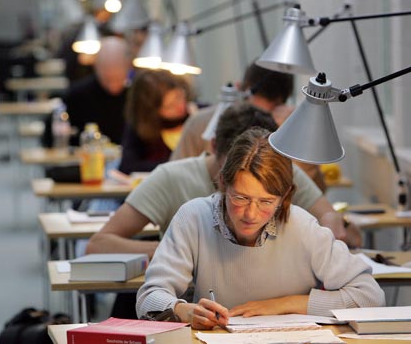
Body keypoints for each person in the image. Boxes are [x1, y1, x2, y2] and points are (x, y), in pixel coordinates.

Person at [135, 128, 384, 328]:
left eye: (266, 202)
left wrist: (286, 304)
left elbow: (370, 297)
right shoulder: (194, 217)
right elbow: (149, 298)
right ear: (222, 183)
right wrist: (183, 310)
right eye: (240, 198)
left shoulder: (301, 226)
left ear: (285, 196)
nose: (251, 214)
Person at [86, 103, 362, 259]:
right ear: (214, 146)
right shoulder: (171, 178)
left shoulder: (273, 171)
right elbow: (99, 244)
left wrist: (332, 225)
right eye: (238, 190)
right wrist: (179, 249)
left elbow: (333, 221)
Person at [170, 63, 328, 192]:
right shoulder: (203, 123)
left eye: (265, 116)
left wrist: (293, 136)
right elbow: (174, 176)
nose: (254, 121)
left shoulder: (290, 132)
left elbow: (312, 194)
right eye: (250, 111)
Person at [42, 36, 132, 148]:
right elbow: (50, 136)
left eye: (117, 76)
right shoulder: (78, 95)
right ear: (96, 67)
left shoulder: (135, 96)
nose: (112, 83)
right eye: (107, 78)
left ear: (128, 67)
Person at [117, 69, 195, 174]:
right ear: (151, 111)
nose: (180, 106)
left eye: (179, 97)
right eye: (170, 106)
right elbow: (127, 166)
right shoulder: (140, 126)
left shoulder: (198, 113)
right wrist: (175, 164)